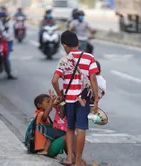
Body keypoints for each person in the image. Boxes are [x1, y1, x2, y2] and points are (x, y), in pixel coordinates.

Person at [52, 31, 99, 166]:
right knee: (81, 129)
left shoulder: (64, 60)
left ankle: (70, 159)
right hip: (84, 100)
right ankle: (78, 161)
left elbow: (54, 80)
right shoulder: (89, 58)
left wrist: (60, 95)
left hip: (69, 100)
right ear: (78, 43)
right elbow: (94, 79)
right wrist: (95, 100)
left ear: (65, 45)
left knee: (70, 129)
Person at [0, 10, 17, 79]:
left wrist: (4, 37)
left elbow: (9, 35)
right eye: (0, 17)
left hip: (7, 42)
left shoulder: (9, 24)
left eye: (3, 17)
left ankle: (9, 73)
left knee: (6, 57)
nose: (1, 18)